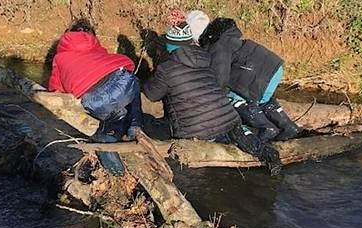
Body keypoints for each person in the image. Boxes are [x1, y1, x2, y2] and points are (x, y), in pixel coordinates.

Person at [142, 16, 281, 175]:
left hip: (194, 130)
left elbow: (151, 94)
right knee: (234, 133)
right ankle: (266, 152)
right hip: (228, 119)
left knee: (147, 123)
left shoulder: (166, 68)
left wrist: (156, 69)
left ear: (169, 46)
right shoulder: (204, 57)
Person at [185, 11, 300, 142]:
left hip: (258, 74)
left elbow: (220, 79)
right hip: (273, 68)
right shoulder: (224, 36)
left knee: (231, 97)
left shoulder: (218, 46)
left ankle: (266, 128)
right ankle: (288, 127)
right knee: (262, 99)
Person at [48, 19, 142, 175]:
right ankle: (133, 125)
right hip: (120, 83)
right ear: (92, 36)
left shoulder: (60, 57)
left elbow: (55, 88)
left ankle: (109, 136)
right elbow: (117, 64)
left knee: (114, 113)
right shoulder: (96, 47)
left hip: (93, 100)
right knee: (132, 83)